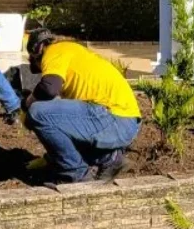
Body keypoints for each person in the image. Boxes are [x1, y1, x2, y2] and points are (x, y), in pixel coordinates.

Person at [23, 29, 139, 184]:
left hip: (112, 118)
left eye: (38, 66)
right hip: (126, 122)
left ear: (37, 51)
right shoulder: (75, 52)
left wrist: (27, 103)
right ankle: (110, 158)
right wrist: (50, 159)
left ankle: (75, 175)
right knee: (60, 122)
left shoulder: (53, 52)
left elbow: (49, 87)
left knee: (37, 112)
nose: (42, 70)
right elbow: (65, 127)